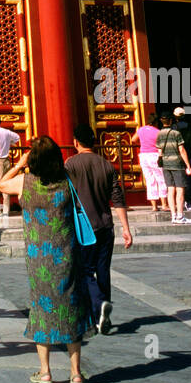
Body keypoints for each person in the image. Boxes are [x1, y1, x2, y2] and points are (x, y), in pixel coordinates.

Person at [0, 135, 94, 383]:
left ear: (34, 160)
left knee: (41, 309)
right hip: (67, 256)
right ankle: (76, 373)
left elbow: (0, 185)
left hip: (39, 259)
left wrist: (19, 163)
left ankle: (46, 371)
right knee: (71, 308)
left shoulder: (25, 182)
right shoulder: (66, 182)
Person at [66, 124, 133, 334]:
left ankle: (97, 306)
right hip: (106, 225)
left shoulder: (70, 164)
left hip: (84, 226)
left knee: (84, 270)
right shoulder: (106, 164)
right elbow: (118, 198)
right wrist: (126, 228)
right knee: (103, 271)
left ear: (76, 142)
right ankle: (104, 317)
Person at [156, 111, 191, 222]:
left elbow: (159, 151)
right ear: (171, 121)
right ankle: (180, 215)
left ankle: (173, 216)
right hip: (177, 163)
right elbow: (181, 149)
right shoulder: (176, 133)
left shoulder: (159, 134)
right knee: (180, 189)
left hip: (166, 165)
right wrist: (188, 165)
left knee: (170, 189)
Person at [130, 114, 165, 212]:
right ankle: (164, 204)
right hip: (154, 155)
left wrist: (141, 144)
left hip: (144, 156)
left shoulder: (141, 129)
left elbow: (133, 140)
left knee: (150, 181)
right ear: (156, 122)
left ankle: (154, 206)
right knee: (161, 179)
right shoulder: (158, 132)